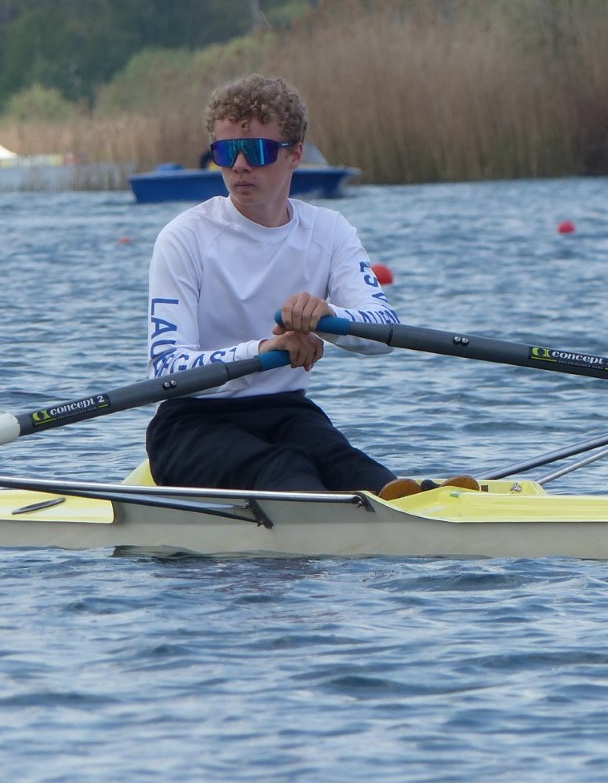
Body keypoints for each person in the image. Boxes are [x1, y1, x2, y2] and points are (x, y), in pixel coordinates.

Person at [144, 73, 473, 499]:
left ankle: (421, 508)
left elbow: (384, 331)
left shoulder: (329, 230)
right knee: (285, 466)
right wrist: (264, 350)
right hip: (190, 423)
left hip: (286, 411)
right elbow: (167, 368)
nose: (239, 165)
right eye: (225, 152)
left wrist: (329, 318)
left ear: (295, 154)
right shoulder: (184, 237)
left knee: (350, 466)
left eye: (256, 151)